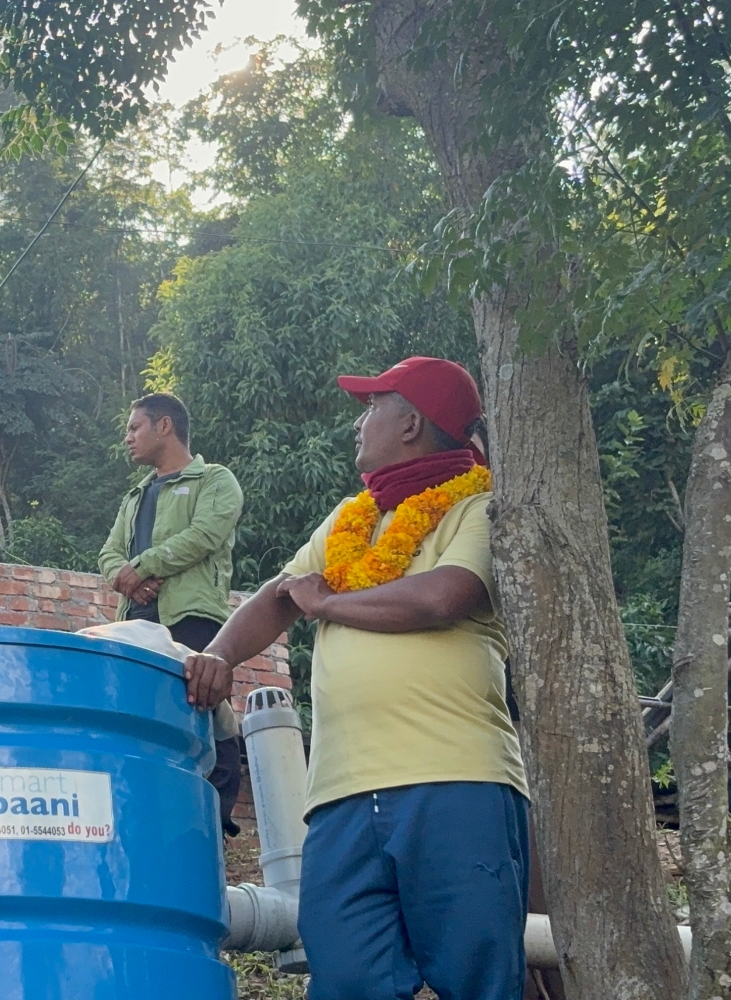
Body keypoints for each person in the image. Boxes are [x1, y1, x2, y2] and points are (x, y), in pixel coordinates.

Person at [183, 357, 529, 1000]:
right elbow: (280, 595)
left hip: (454, 778)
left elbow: (444, 596)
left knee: (477, 976)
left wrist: (327, 604)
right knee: (346, 979)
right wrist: (221, 656)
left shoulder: (481, 507)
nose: (358, 423)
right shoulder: (351, 518)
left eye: (373, 407)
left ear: (411, 424)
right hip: (341, 792)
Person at [98, 392, 245, 831]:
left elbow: (205, 534)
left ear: (164, 426)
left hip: (192, 617)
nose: (127, 438)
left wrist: (141, 567)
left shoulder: (215, 479)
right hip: (135, 626)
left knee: (203, 707)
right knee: (143, 716)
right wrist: (127, 576)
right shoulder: (134, 496)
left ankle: (215, 824)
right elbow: (108, 553)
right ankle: (146, 818)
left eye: (134, 427)